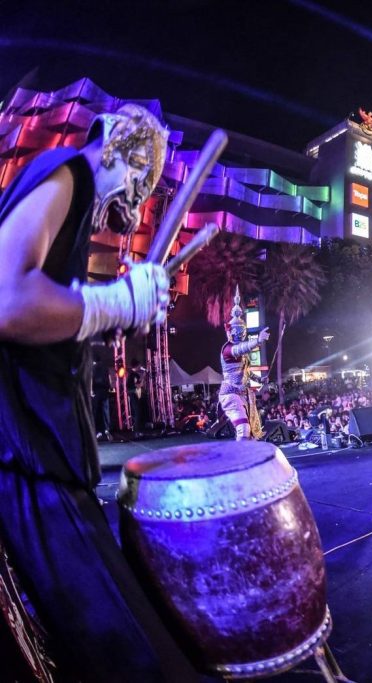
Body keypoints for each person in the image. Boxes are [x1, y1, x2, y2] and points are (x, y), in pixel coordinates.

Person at [0, 104, 198, 680]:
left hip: (35, 445)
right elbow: (7, 300)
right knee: (121, 639)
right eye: (141, 177)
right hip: (26, 448)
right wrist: (110, 303)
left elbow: (48, 314)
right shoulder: (68, 172)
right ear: (121, 151)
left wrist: (118, 310)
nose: (136, 196)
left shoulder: (78, 196)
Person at [219, 286, 270, 440]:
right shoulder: (228, 350)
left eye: (243, 332)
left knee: (250, 433)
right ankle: (241, 455)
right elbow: (241, 348)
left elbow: (246, 372)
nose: (241, 335)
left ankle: (248, 453)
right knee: (243, 428)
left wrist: (260, 379)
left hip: (242, 394)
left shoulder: (240, 353)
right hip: (230, 394)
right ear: (231, 332)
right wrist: (257, 340)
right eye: (238, 332)